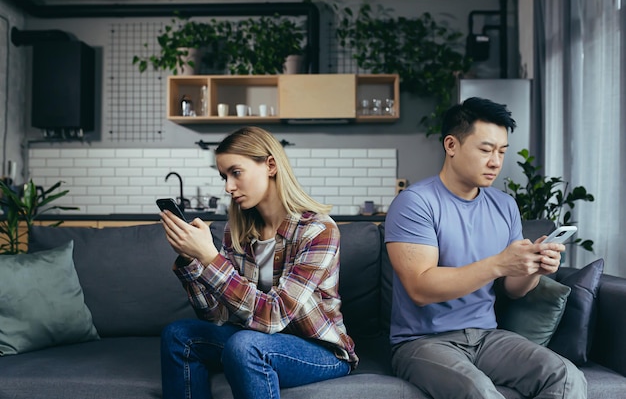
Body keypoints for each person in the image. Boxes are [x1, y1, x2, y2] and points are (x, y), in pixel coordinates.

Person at [384, 97, 587, 398]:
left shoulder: (505, 206)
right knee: (477, 391)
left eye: (501, 152)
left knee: (567, 377)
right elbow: (420, 288)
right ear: (451, 145)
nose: (496, 162)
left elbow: (513, 289)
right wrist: (499, 263)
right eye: (485, 149)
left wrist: (534, 267)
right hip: (423, 342)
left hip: (488, 337)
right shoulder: (416, 203)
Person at [159, 126, 358, 399]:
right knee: (178, 335)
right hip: (256, 339)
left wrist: (210, 258)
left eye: (236, 172)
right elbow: (215, 315)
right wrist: (191, 259)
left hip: (317, 348)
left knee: (245, 345)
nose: (228, 187)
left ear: (271, 166)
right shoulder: (236, 230)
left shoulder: (318, 230)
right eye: (224, 177)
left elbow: (273, 315)